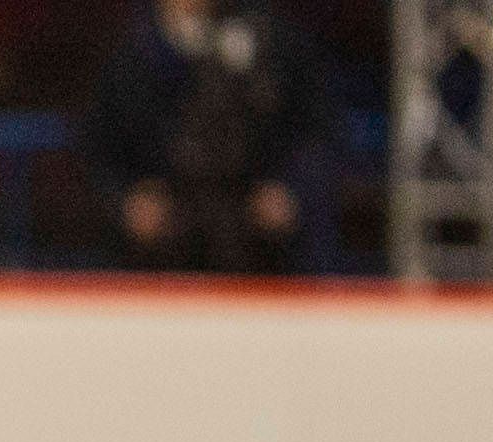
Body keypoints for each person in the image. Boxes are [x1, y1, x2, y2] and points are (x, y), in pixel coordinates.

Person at [85, 0, 330, 274]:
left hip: (254, 241)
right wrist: (126, 202)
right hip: (159, 248)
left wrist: (291, 190)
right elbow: (98, 151)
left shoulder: (272, 40)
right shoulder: (128, 51)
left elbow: (316, 132)